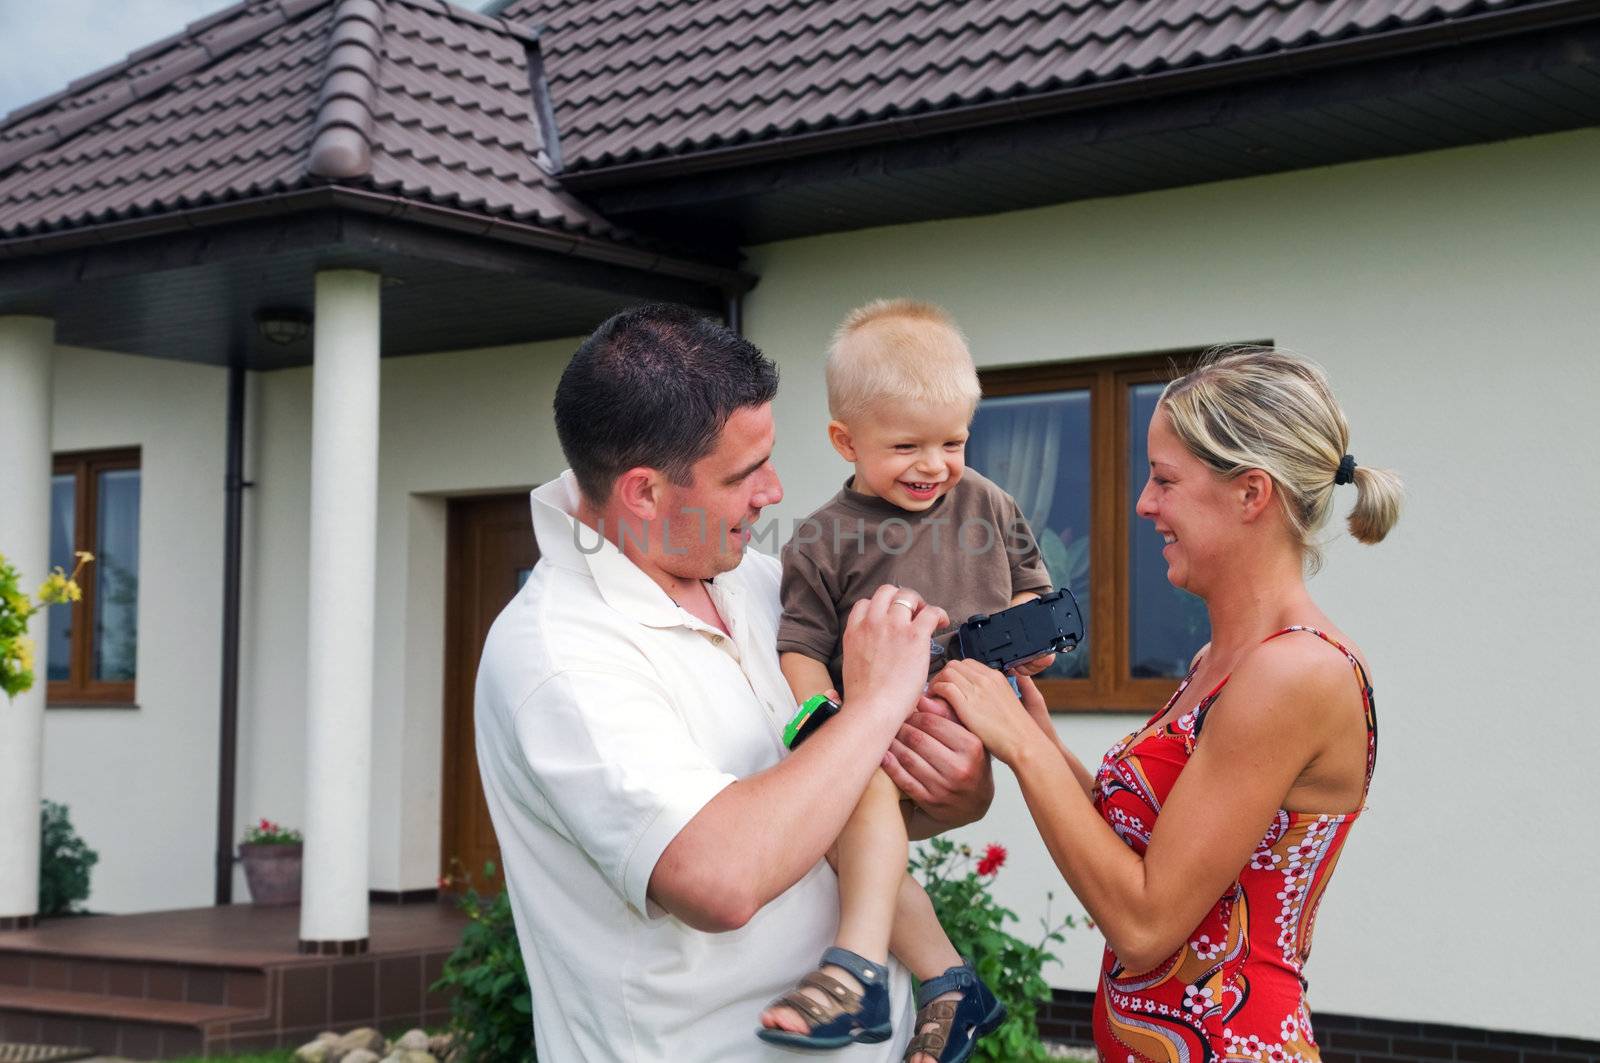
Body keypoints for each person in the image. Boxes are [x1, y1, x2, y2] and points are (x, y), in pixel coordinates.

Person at [472, 303, 995, 1063]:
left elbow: (840, 801)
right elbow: (721, 878)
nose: (775, 491)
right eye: (746, 473)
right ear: (644, 492)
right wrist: (877, 704)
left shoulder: (759, 582)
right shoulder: (558, 655)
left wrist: (952, 789)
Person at [925, 348, 1403, 1063]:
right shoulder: (1221, 664)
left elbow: (1146, 923)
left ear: (1251, 494)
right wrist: (1037, 736)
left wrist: (1024, 754)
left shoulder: (1295, 672)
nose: (1144, 503)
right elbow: (1143, 849)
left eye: (1164, 479)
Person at [760, 300, 1055, 1063]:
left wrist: (1028, 636)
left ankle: (856, 970)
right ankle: (945, 982)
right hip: (875, 741)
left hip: (961, 723)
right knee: (847, 825)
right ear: (843, 440)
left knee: (845, 824)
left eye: (953, 440)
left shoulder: (988, 501)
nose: (934, 464)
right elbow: (799, 646)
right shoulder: (822, 539)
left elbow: (1032, 587)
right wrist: (824, 722)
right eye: (906, 445)